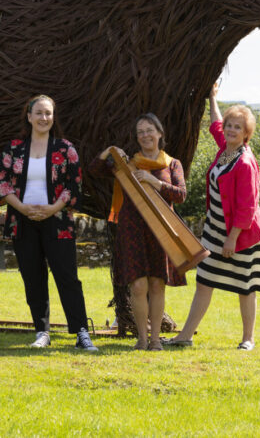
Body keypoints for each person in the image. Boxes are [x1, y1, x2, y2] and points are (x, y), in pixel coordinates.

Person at [0, 94, 99, 352]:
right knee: (33, 277)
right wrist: (23, 208)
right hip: (22, 221)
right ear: (28, 116)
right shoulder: (12, 149)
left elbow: (74, 185)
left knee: (67, 277)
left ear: (54, 117)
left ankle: (81, 332)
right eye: (39, 113)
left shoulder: (66, 149)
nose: (43, 118)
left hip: (58, 221)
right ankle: (42, 331)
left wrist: (52, 209)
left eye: (48, 113)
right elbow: (2, 183)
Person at [166, 83, 260, 350]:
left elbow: (247, 206)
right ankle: (185, 336)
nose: (230, 130)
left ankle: (248, 339)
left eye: (237, 127)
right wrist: (211, 97)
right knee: (204, 280)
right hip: (214, 230)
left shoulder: (244, 162)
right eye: (230, 125)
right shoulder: (225, 149)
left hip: (241, 235)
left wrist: (232, 239)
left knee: (246, 286)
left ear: (246, 134)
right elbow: (215, 124)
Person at [90, 113, 187, 351]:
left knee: (156, 285)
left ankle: (155, 340)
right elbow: (95, 169)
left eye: (149, 130)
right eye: (141, 132)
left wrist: (156, 182)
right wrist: (109, 150)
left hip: (161, 231)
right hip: (131, 230)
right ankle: (141, 339)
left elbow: (181, 195)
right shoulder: (127, 164)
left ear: (160, 133)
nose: (145, 135)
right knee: (138, 287)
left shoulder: (172, 164)